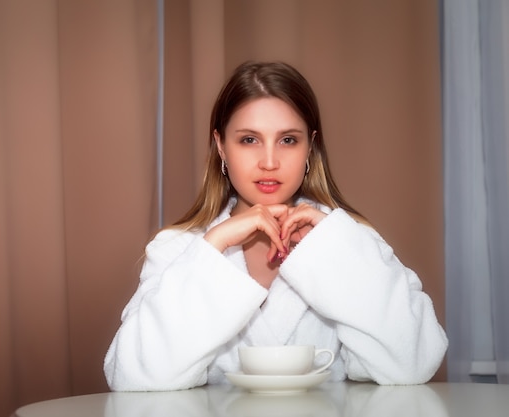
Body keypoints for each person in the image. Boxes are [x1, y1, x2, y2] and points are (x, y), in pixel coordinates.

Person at [104, 61, 448, 391]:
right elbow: (132, 377)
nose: (269, 162)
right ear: (221, 146)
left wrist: (333, 249)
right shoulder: (178, 249)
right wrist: (214, 244)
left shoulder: (350, 241)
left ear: (310, 147)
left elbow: (414, 363)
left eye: (288, 140)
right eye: (249, 139)